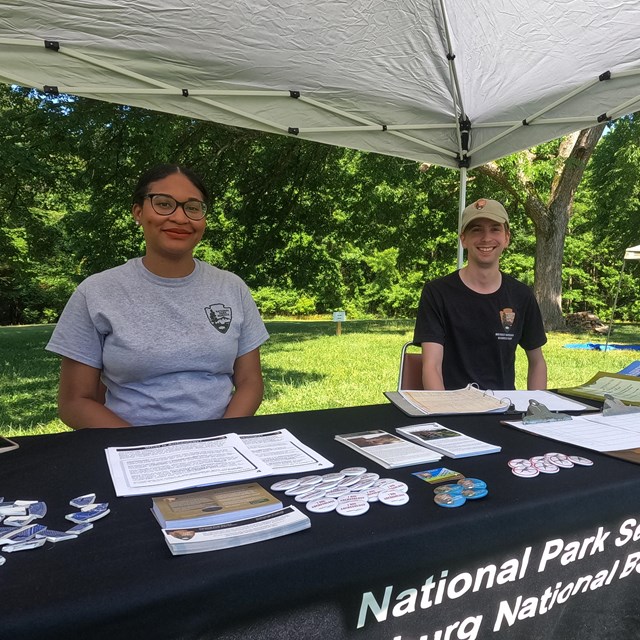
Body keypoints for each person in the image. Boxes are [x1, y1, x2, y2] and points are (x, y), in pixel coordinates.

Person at [46, 164, 269, 428]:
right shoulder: (95, 292)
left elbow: (250, 383)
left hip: (219, 445)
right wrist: (144, 448)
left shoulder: (232, 287)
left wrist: (221, 437)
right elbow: (74, 402)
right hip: (130, 447)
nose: (180, 218)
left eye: (193, 207)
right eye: (164, 204)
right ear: (138, 212)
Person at [413, 198, 547, 391]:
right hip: (454, 409)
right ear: (463, 239)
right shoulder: (437, 293)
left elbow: (537, 362)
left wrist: (536, 407)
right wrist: (444, 414)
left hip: (504, 409)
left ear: (506, 238)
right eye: (476, 229)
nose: (486, 238)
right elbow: (431, 366)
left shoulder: (521, 295)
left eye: (495, 229)